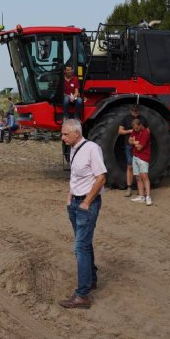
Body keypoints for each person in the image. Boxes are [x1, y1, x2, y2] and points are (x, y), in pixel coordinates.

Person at [59, 118, 106, 309]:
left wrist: (87, 202)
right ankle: (92, 279)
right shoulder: (73, 148)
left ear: (76, 133)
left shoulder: (92, 149)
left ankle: (82, 295)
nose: (62, 138)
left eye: (65, 134)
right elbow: (75, 175)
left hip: (87, 204)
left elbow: (101, 177)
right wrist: (70, 196)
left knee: (80, 247)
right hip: (75, 203)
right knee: (84, 243)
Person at [118, 105, 148, 197]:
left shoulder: (143, 119)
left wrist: (141, 135)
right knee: (130, 166)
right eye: (134, 111)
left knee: (141, 167)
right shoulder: (126, 118)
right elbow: (120, 131)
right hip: (129, 146)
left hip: (140, 146)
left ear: (139, 111)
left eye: (137, 111)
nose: (135, 113)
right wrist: (130, 131)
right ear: (130, 111)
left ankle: (141, 190)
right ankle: (129, 188)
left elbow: (148, 131)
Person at [128, 117, 153, 206]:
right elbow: (129, 141)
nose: (135, 130)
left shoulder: (145, 133)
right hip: (135, 157)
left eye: (137, 128)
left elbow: (139, 147)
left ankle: (148, 197)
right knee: (138, 177)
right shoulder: (135, 131)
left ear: (140, 125)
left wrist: (134, 142)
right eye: (134, 128)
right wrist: (135, 142)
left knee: (144, 176)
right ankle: (141, 197)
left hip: (143, 157)